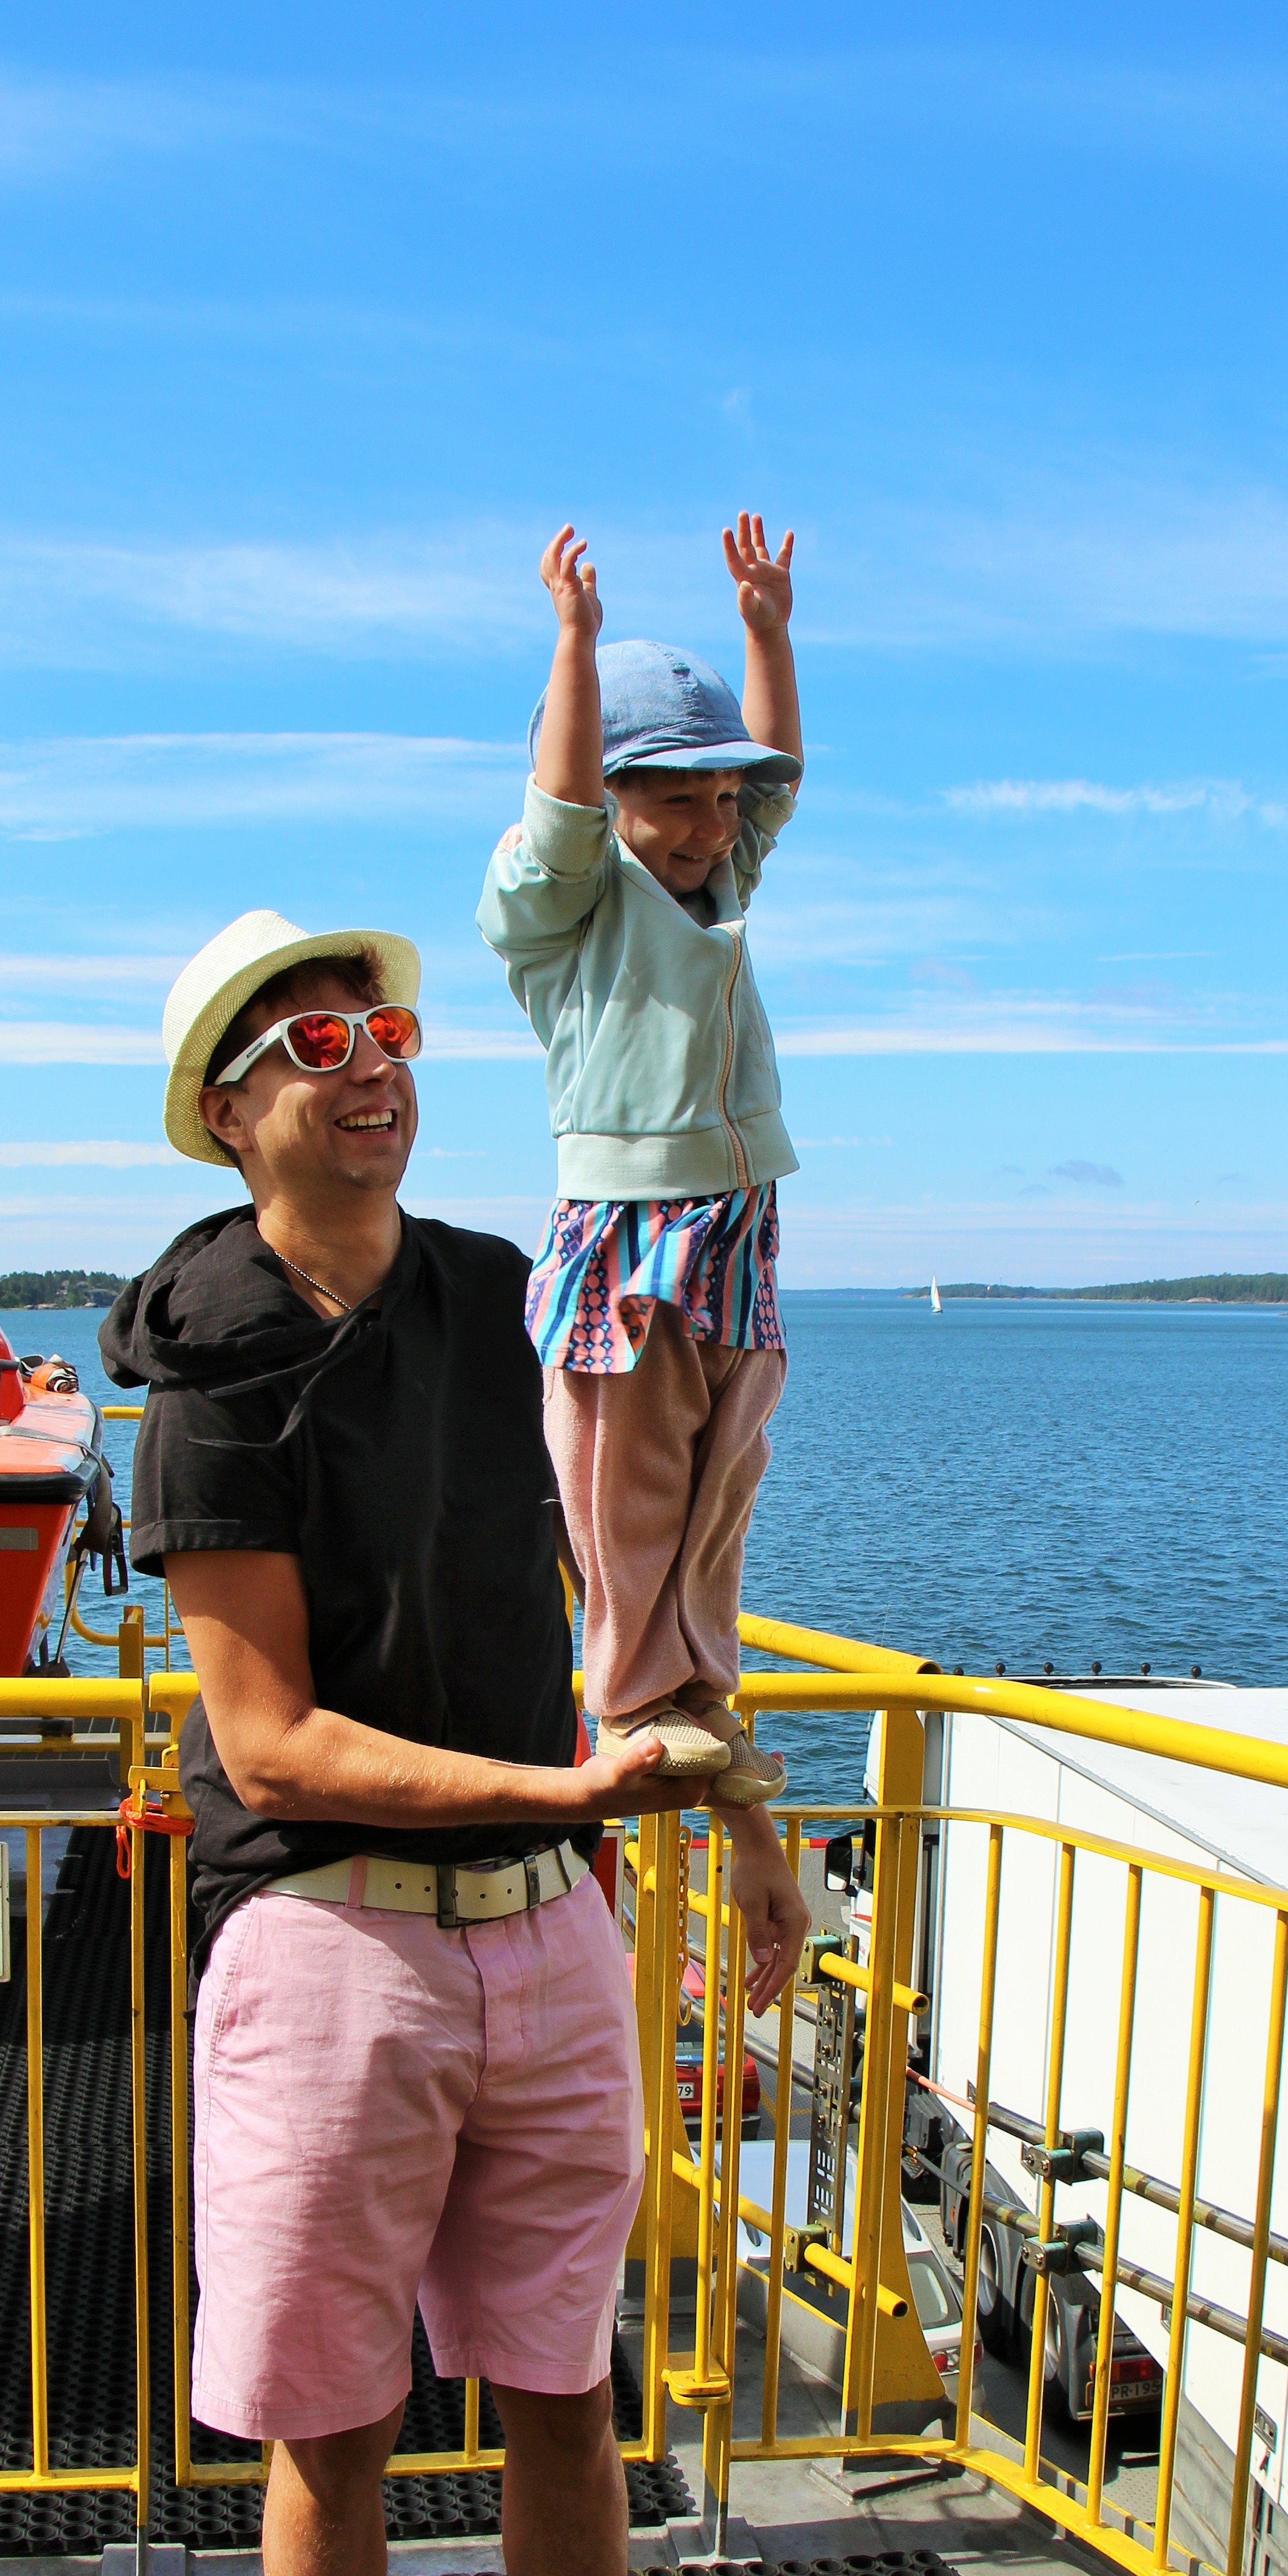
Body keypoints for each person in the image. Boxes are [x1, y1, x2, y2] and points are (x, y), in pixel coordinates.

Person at [101, 909, 810, 2576]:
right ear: (231, 1110)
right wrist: (561, 1789)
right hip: (330, 1941)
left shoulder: (506, 1297)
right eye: (316, 1045)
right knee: (330, 2424)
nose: (373, 1065)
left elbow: (648, 1568)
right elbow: (267, 1743)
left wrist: (745, 1821)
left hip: (545, 1931)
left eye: (388, 1029)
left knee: (566, 2400)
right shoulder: (205, 1378)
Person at [477, 514, 802, 1806]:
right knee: (628, 1472)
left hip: (737, 1217)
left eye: (719, 800)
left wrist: (767, 638)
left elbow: (775, 782)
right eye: (675, 799)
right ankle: (631, 1695)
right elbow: (562, 812)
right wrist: (575, 643)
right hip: (630, 1220)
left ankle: (699, 1689)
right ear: (613, 800)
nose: (710, 826)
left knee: (725, 1466)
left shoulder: (719, 886)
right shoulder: (562, 906)